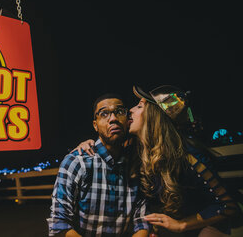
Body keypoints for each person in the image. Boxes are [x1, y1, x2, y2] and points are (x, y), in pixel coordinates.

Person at [74, 85, 242, 236]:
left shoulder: (187, 155)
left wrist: (181, 225)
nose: (130, 110)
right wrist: (90, 144)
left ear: (154, 116)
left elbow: (228, 206)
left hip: (209, 226)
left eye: (139, 106)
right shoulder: (134, 151)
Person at [47, 93, 150, 237]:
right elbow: (59, 223)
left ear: (128, 119)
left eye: (119, 112)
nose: (113, 118)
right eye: (104, 114)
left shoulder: (134, 164)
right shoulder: (77, 162)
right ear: (95, 125)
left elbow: (142, 221)